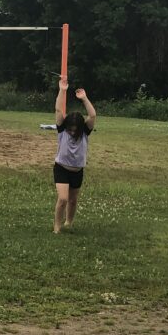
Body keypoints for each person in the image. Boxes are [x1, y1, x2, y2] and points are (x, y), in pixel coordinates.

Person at [53, 78, 96, 234]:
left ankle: (68, 222)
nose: (72, 132)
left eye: (74, 130)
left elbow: (92, 116)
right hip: (61, 168)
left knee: (73, 200)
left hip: (77, 170)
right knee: (63, 199)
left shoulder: (85, 132)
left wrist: (84, 98)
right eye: (70, 129)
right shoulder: (62, 130)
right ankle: (56, 226)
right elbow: (58, 110)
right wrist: (62, 90)